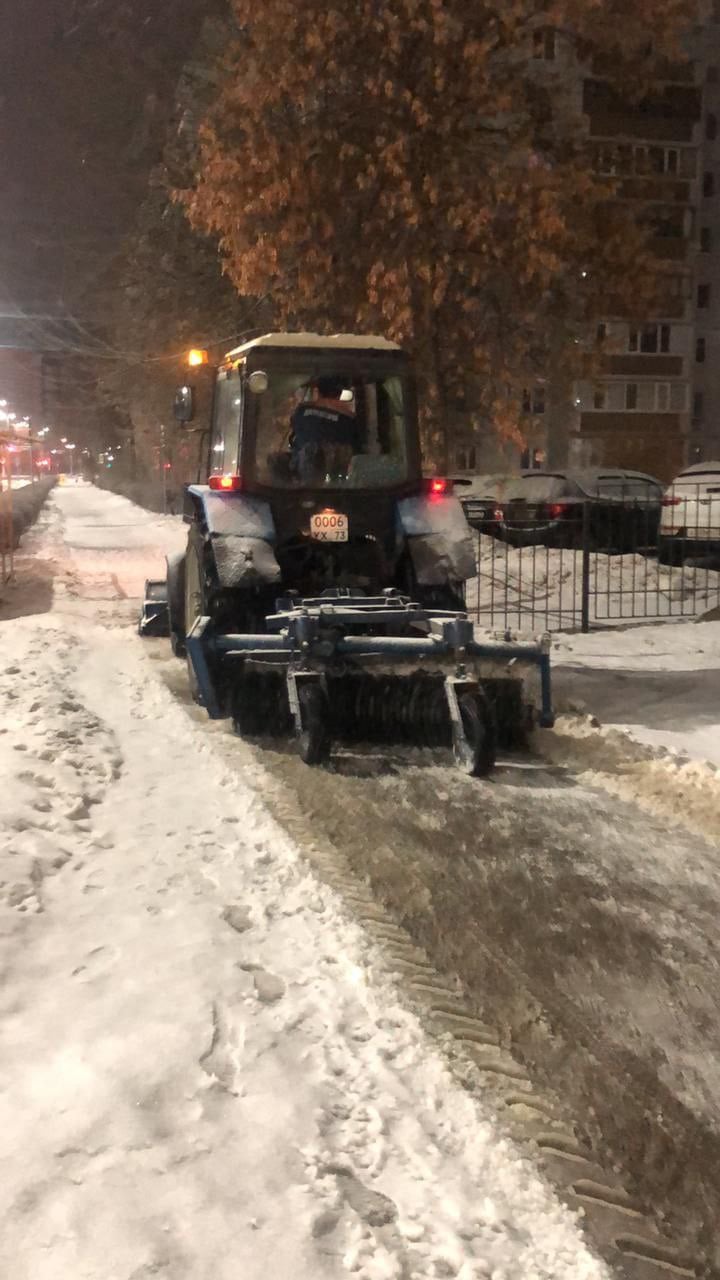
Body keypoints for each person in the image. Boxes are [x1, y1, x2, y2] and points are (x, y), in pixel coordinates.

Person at [290, 376, 361, 482]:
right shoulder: (348, 419)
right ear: (340, 394)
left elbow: (295, 430)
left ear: (318, 392)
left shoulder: (301, 410)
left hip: (298, 476)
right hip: (334, 482)